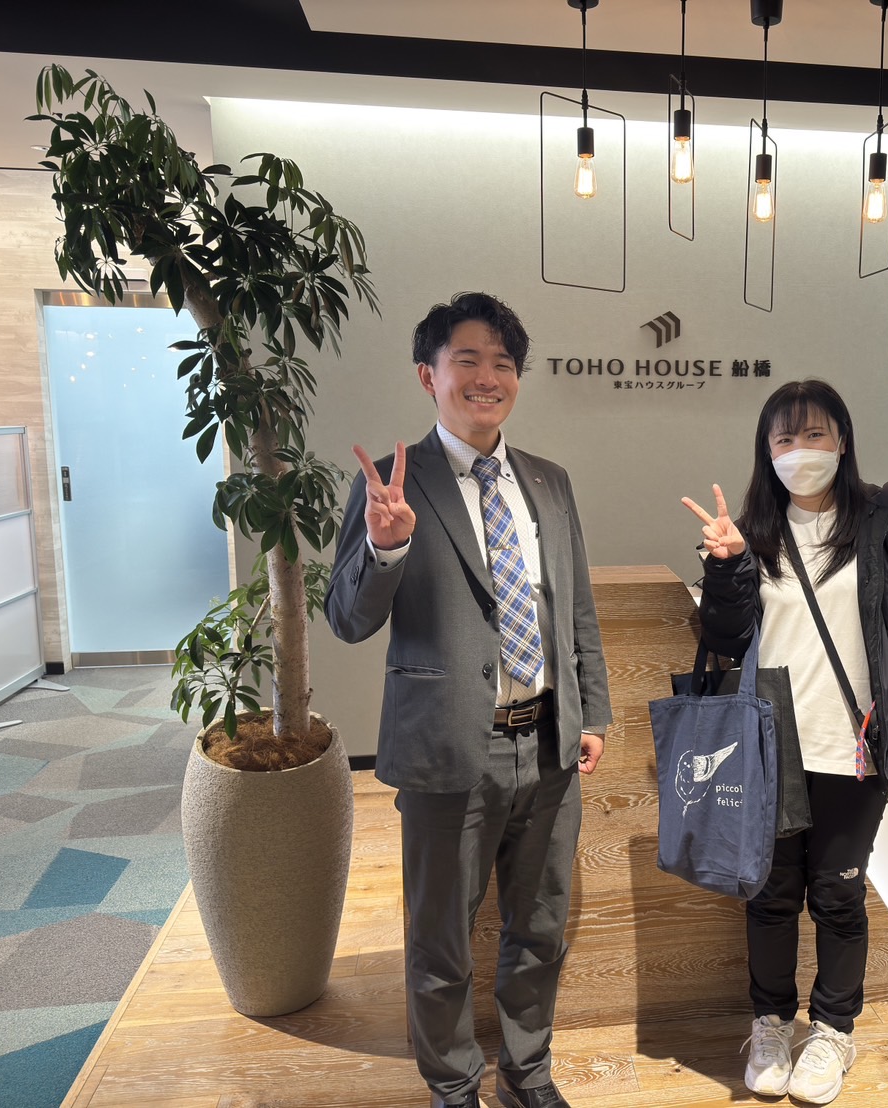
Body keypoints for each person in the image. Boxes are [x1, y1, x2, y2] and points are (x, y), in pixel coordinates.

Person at [325, 291, 611, 1108]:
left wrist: (591, 710)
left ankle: (527, 1072)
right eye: (468, 360)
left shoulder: (548, 482)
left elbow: (574, 608)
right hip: (449, 749)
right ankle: (453, 1086)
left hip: (548, 744)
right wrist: (386, 547)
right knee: (441, 939)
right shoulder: (392, 485)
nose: (488, 377)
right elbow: (347, 619)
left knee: (540, 927)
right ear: (429, 375)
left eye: (503, 363)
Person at [681, 378, 888, 1106]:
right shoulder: (753, 531)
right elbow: (724, 639)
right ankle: (770, 1023)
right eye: (784, 439)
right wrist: (724, 567)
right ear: (766, 451)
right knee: (770, 895)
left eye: (813, 434)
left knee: (839, 894)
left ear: (841, 441)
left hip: (853, 747)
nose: (799, 450)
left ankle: (833, 1030)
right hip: (768, 745)